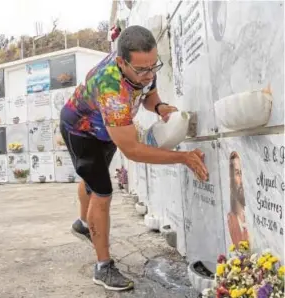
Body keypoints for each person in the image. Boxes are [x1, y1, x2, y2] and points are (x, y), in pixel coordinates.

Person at [59, 25, 209, 291]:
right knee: (102, 192)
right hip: (80, 131)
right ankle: (103, 267)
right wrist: (183, 158)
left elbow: (148, 92)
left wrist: (160, 106)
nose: (149, 74)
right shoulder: (111, 88)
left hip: (106, 131)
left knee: (95, 177)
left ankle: (83, 223)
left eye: (153, 66)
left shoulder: (142, 65)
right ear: (121, 62)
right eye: (141, 70)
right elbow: (133, 151)